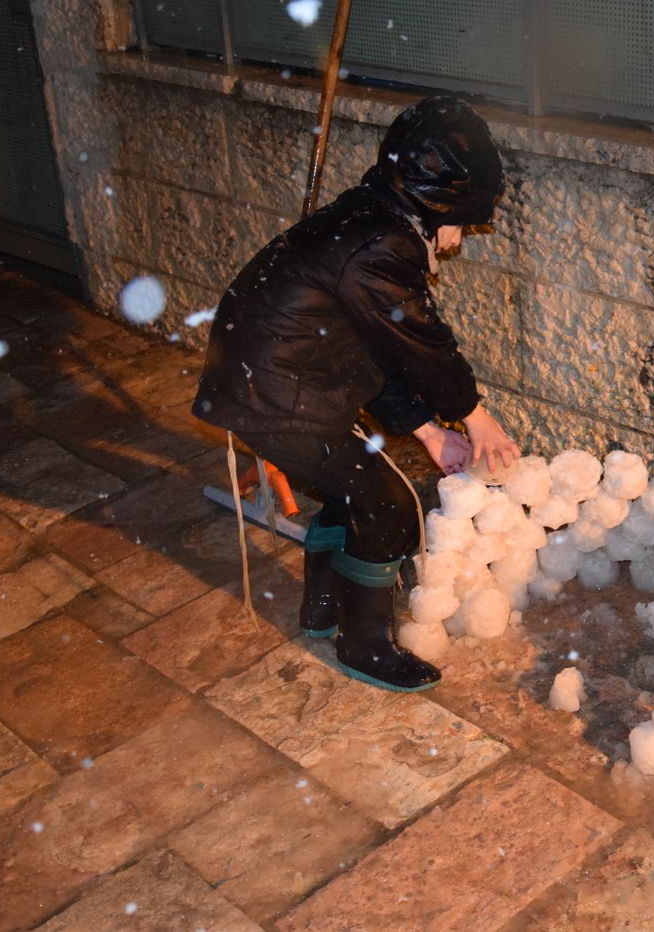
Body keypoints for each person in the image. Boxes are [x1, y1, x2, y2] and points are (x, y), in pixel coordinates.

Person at [192, 96, 520, 693]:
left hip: (275, 377)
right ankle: (364, 645)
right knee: (388, 505)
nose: (458, 239)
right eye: (463, 221)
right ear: (438, 201)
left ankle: (322, 609)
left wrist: (427, 430)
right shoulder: (382, 246)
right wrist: (476, 418)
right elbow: (422, 346)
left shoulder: (373, 217)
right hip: (273, 392)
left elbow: (381, 350)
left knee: (351, 490)